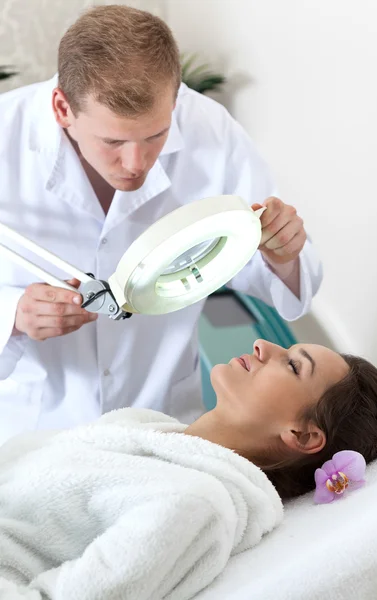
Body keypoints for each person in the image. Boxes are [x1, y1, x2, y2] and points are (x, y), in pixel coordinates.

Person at [0, 5, 323, 444]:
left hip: (165, 420)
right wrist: (15, 317)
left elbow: (278, 283)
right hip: (31, 431)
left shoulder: (211, 131)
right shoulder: (6, 137)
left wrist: (282, 252)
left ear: (175, 99)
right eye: (112, 141)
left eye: (155, 135)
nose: (136, 165)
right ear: (62, 108)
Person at [0, 340, 377, 599]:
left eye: (292, 365)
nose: (263, 345)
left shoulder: (192, 505)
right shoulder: (141, 426)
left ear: (302, 437)